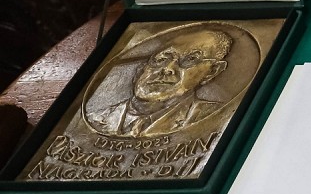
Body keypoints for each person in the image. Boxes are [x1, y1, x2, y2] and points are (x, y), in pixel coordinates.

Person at [95, 27, 234, 138]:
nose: (167, 69)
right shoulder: (96, 119)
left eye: (190, 59)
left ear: (212, 71)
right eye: (161, 59)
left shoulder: (215, 117)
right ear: (143, 67)